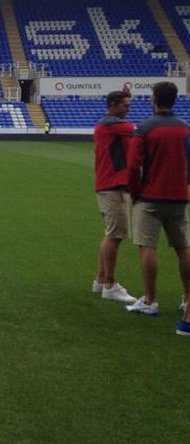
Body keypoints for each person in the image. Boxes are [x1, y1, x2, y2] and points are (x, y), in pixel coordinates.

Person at [122, 82, 190, 332]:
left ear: (154, 99)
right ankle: (187, 299)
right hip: (179, 196)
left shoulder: (145, 128)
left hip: (150, 196)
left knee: (147, 246)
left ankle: (150, 300)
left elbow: (132, 166)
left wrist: (136, 192)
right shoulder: (185, 128)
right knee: (183, 248)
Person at [92, 90, 137, 303]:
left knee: (111, 233)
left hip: (108, 184)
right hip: (113, 185)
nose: (128, 109)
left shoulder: (109, 124)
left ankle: (101, 280)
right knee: (115, 235)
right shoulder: (114, 125)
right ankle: (109, 284)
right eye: (125, 106)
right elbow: (141, 131)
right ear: (113, 105)